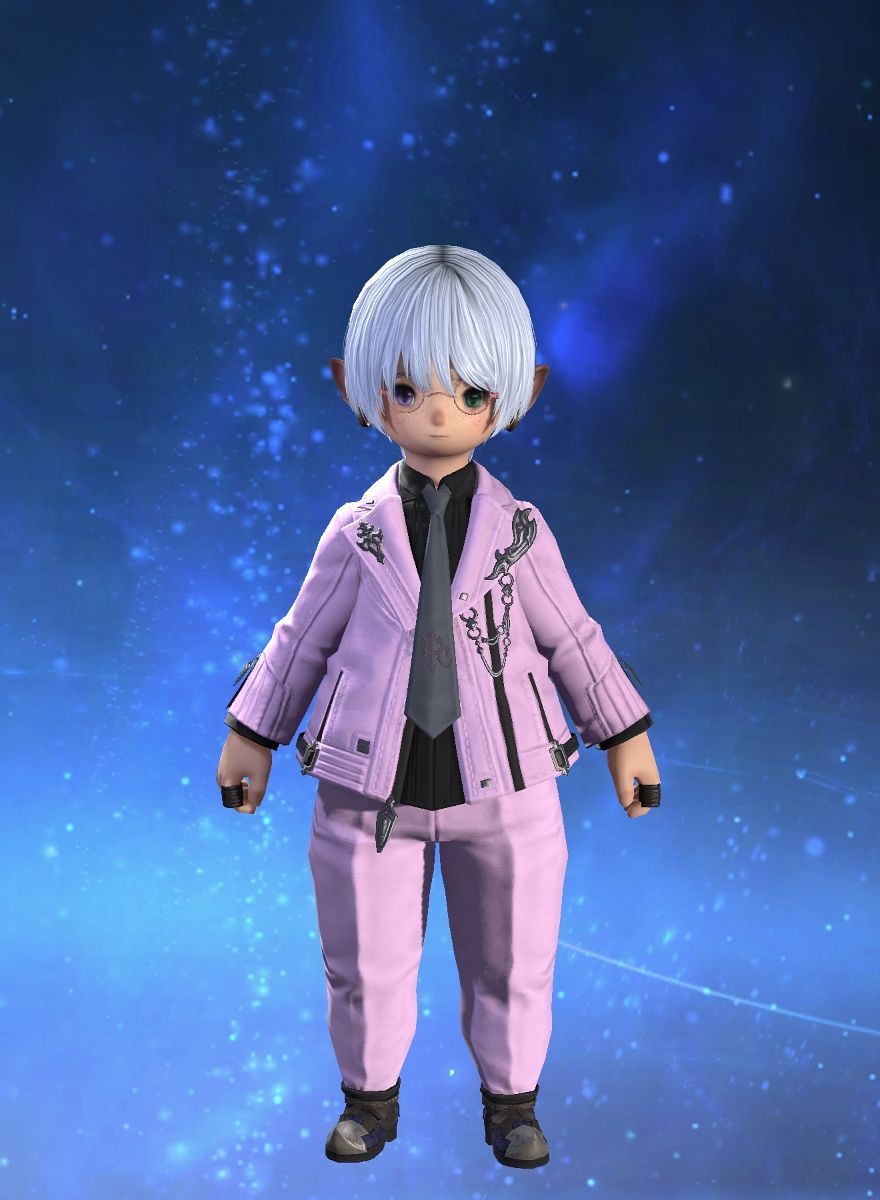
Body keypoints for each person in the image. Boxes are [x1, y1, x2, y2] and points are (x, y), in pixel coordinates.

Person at [215, 244, 662, 1169]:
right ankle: (369, 1102)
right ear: (362, 389)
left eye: (470, 392)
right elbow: (301, 638)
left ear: (515, 392)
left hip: (506, 780)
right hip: (368, 783)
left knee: (515, 958)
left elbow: (573, 637)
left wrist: (624, 733)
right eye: (408, 388)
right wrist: (252, 732)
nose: (437, 412)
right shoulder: (355, 534)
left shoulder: (521, 533)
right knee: (365, 962)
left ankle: (513, 1104)